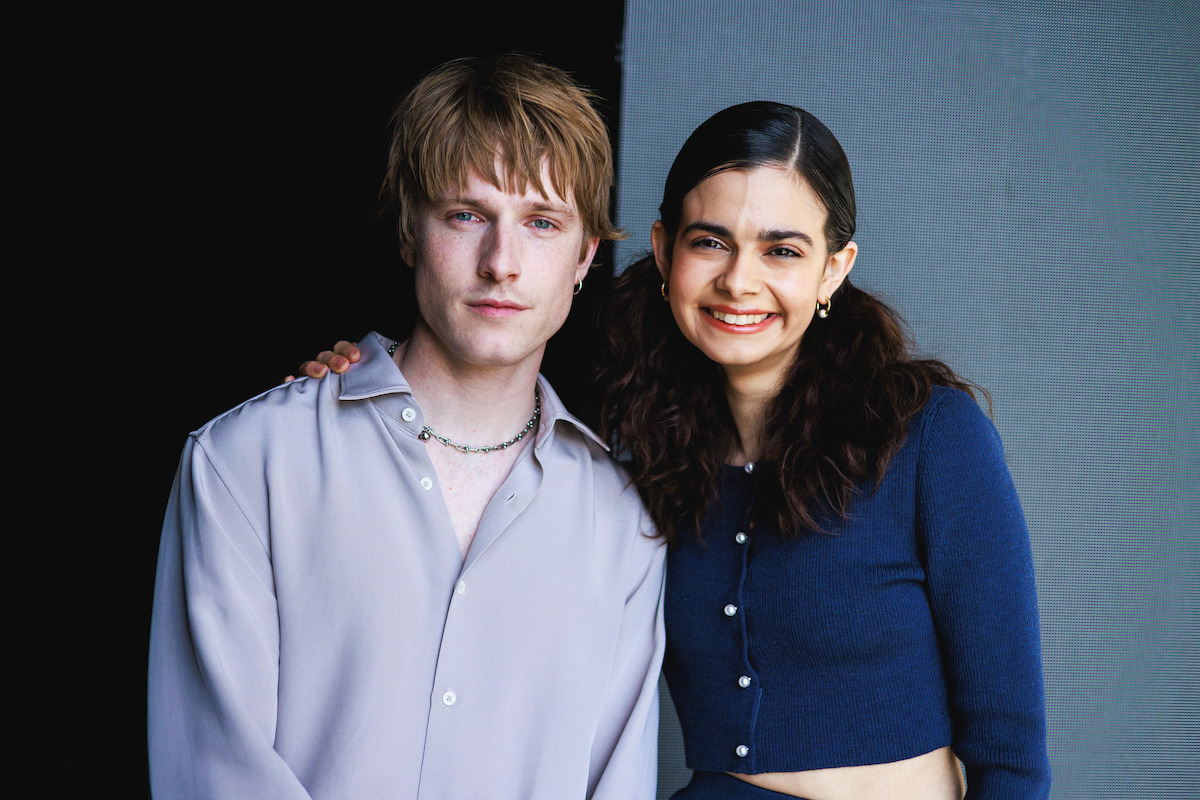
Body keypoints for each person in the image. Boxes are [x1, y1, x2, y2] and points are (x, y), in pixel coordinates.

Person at [302, 101, 1051, 799]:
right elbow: (474, 415)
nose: (739, 281)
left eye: (782, 250)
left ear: (834, 269)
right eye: (710, 242)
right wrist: (362, 379)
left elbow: (1010, 752)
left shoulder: (928, 435)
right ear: (663, 252)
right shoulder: (634, 440)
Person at [149, 54, 666, 800]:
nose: (502, 263)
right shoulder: (248, 462)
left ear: (585, 257)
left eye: (542, 224)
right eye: (467, 216)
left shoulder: (623, 523)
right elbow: (214, 770)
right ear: (408, 232)